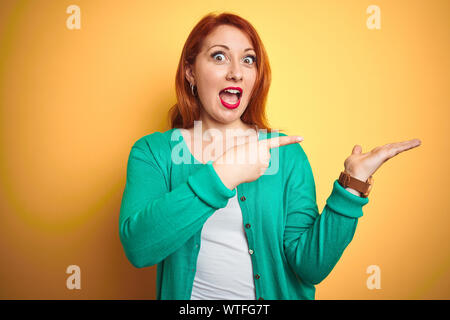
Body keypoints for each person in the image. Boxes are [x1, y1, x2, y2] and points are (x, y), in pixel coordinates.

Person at [119, 12, 421, 300]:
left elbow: (309, 267)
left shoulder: (285, 154)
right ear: (190, 72)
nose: (236, 71)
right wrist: (224, 174)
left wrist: (352, 185)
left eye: (248, 60)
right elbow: (140, 248)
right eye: (219, 56)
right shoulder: (153, 153)